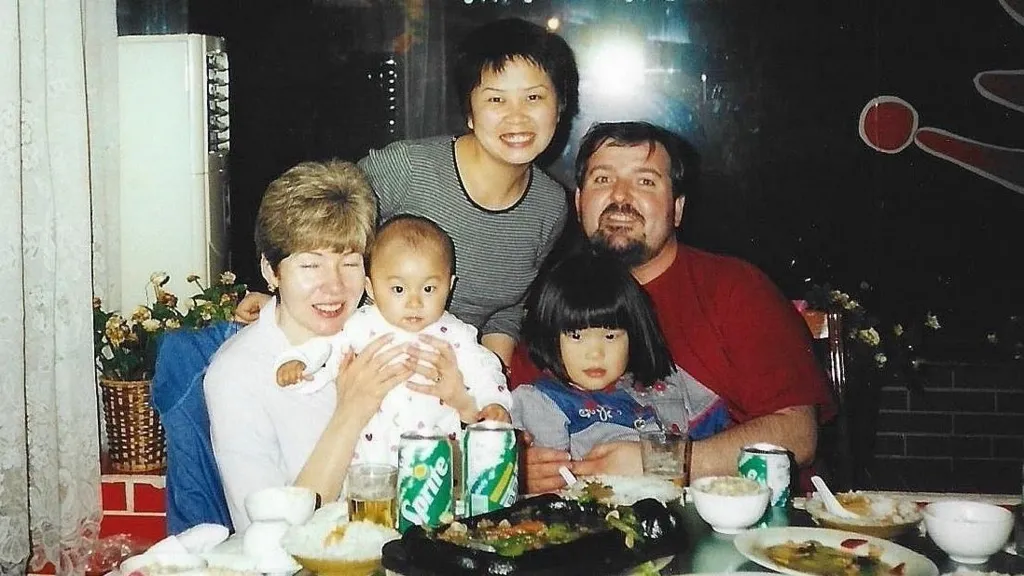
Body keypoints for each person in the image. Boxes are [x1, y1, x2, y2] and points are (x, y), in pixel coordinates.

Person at [235, 18, 579, 366]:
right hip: (350, 359)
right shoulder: (409, 168)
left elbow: (507, 309)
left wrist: (484, 382)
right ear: (470, 113)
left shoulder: (549, 206)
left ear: (559, 106)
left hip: (446, 382)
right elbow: (312, 221)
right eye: (496, 99)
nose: (516, 117)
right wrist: (275, 296)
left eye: (534, 97)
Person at [514, 121, 834, 493]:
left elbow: (798, 434)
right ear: (579, 201)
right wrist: (524, 466)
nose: (620, 196)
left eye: (645, 181)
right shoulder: (556, 303)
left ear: (677, 209)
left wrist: (661, 462)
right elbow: (513, 426)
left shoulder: (735, 287)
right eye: (603, 179)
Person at [204, 160, 477, 531]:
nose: (333, 287)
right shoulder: (236, 376)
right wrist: (352, 412)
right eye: (310, 266)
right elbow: (268, 534)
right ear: (271, 271)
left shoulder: (385, 328)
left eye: (349, 263)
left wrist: (466, 404)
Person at [274, 214, 512, 466]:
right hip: (371, 463)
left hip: (436, 464)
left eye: (428, 289)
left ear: (450, 286)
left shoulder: (456, 335)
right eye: (399, 289)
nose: (414, 302)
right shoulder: (360, 326)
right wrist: (298, 362)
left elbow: (484, 369)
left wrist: (493, 403)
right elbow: (325, 348)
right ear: (371, 287)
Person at [512, 248, 681, 461]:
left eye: (610, 337)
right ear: (551, 338)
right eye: (576, 336)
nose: (595, 354)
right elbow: (553, 475)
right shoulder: (542, 402)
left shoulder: (651, 392)